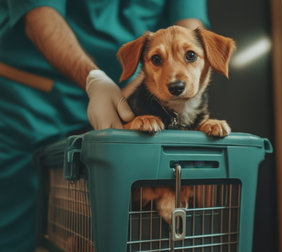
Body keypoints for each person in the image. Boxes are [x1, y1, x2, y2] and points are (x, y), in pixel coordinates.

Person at [0, 1, 208, 250]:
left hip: (127, 94)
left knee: (118, 221)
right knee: (17, 216)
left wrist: (142, 91)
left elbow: (189, 29)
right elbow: (39, 14)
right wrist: (93, 80)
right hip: (34, 95)